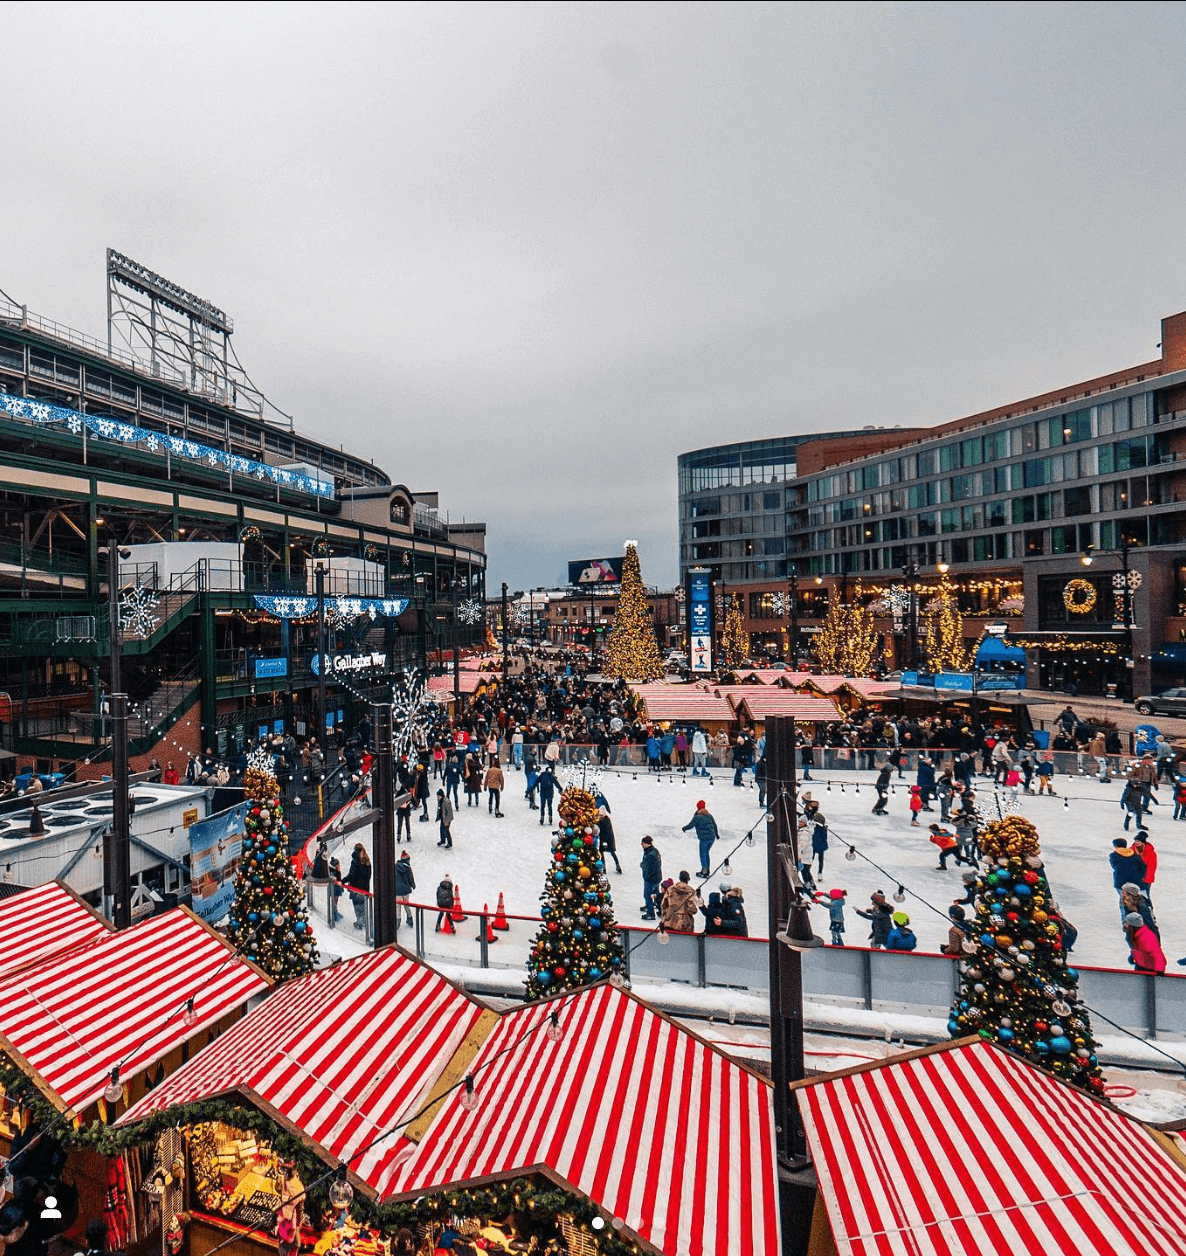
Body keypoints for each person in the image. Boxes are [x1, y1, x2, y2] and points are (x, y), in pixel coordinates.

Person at [681, 800, 719, 879]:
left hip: (704, 838)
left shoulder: (697, 817)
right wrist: (716, 834)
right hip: (712, 837)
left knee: (703, 854)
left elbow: (691, 825)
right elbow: (714, 825)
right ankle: (707, 870)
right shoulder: (709, 815)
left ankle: (704, 871)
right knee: (706, 853)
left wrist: (684, 828)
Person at [343, 844, 371, 931]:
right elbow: (369, 876)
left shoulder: (355, 861)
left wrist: (343, 881)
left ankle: (360, 922)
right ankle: (365, 922)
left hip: (356, 889)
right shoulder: (367, 861)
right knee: (363, 906)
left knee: (357, 906)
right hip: (365, 889)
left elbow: (352, 875)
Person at [800, 794, 829, 875]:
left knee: (810, 858)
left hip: (814, 842)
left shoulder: (812, 822)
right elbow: (824, 835)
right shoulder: (820, 819)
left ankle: (808, 871)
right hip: (820, 843)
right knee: (820, 859)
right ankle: (819, 873)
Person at [594, 794, 622, 873]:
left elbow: (606, 832)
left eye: (600, 815)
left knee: (606, 853)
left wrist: (605, 842)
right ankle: (615, 865)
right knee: (609, 853)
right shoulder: (606, 820)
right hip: (607, 840)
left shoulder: (603, 822)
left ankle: (608, 867)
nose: (599, 816)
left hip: (606, 840)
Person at [640, 836, 662, 920]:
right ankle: (659, 909)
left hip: (651, 879)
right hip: (657, 877)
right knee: (656, 894)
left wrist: (642, 865)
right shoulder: (654, 851)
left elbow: (647, 867)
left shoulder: (650, 855)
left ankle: (650, 913)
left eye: (642, 843)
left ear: (645, 843)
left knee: (647, 895)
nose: (641, 845)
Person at [1132, 834, 1157, 904]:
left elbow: (1151, 867)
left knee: (1145, 896)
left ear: (1143, 842)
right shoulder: (1131, 850)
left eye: (1138, 841)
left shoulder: (1150, 853)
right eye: (1135, 841)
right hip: (1134, 877)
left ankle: (1149, 911)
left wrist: (1147, 879)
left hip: (1145, 878)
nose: (1136, 842)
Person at [394, 849, 415, 928]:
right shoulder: (408, 869)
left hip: (397, 891)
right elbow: (411, 879)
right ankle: (409, 918)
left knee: (398, 906)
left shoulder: (396, 867)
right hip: (405, 891)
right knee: (406, 905)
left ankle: (397, 921)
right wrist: (412, 885)